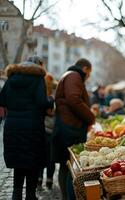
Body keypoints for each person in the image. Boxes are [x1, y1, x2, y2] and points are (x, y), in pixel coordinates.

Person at [0, 56, 53, 200]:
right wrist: (50, 101)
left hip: (13, 126)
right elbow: (41, 102)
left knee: (19, 162)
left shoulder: (11, 78)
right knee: (32, 162)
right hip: (32, 127)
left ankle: (16, 194)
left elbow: (2, 99)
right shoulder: (37, 79)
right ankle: (30, 195)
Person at [53, 58, 95, 200]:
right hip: (70, 128)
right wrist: (91, 117)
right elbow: (74, 99)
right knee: (69, 166)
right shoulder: (74, 76)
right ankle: (68, 197)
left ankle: (66, 196)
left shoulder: (69, 75)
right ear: (85, 68)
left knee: (66, 165)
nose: (88, 76)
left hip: (66, 126)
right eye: (89, 73)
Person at [37, 73, 57, 190]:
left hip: (42, 129)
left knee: (41, 155)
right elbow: (52, 112)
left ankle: (39, 179)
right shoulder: (51, 97)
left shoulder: (40, 95)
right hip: (51, 130)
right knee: (50, 157)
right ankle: (48, 180)